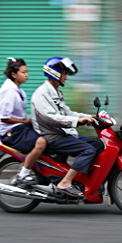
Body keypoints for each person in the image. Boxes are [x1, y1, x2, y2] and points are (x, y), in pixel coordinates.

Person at [31, 57, 99, 197]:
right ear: (55, 73)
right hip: (53, 136)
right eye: (64, 74)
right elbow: (51, 118)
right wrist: (78, 121)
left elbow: (67, 112)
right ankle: (65, 182)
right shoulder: (42, 93)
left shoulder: (55, 92)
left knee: (98, 146)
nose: (66, 78)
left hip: (63, 132)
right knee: (88, 150)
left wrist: (90, 117)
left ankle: (84, 180)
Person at [0, 57, 47, 186]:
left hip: (18, 127)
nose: (27, 75)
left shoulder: (18, 90)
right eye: (23, 72)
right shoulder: (10, 91)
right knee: (41, 142)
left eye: (27, 72)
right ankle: (23, 175)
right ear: (14, 74)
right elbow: (4, 118)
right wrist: (26, 122)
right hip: (10, 131)